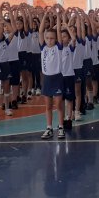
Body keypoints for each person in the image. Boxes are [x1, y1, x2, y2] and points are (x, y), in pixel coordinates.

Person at [39, 9, 65, 140]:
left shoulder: (58, 47)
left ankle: (61, 127)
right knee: (48, 106)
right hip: (47, 79)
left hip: (57, 78)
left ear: (55, 39)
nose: (49, 40)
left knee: (58, 104)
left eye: (52, 38)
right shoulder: (43, 47)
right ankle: (49, 128)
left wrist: (58, 16)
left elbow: (59, 30)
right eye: (47, 38)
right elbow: (40, 31)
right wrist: (45, 15)